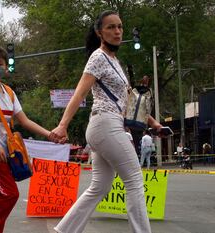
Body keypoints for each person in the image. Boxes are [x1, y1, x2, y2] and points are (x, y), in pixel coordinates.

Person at [50, 10, 162, 233]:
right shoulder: (98, 57)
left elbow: (129, 100)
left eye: (120, 26)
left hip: (105, 127)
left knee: (99, 187)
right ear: (100, 32)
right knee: (134, 180)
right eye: (111, 27)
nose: (117, 31)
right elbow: (80, 93)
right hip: (106, 124)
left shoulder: (115, 62)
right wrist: (63, 125)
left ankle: (63, 230)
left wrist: (155, 124)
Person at [0, 45, 55, 233]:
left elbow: (24, 120)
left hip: (7, 153)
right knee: (9, 194)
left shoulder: (9, 93)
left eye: (0, 64)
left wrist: (50, 135)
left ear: (7, 68)